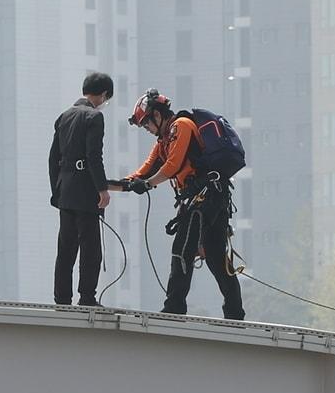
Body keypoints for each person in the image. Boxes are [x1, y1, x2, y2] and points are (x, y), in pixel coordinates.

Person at [117, 89, 246, 320]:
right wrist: (120, 184)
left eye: (147, 123)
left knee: (182, 249)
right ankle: (235, 314)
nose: (146, 129)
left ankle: (175, 308)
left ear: (157, 115)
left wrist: (147, 185)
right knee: (216, 257)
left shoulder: (181, 126)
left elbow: (172, 166)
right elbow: (147, 168)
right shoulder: (164, 140)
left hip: (206, 197)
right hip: (207, 199)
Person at [48, 72, 114, 306]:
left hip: (65, 191)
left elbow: (53, 158)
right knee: (90, 248)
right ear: (104, 94)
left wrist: (56, 192)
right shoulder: (94, 117)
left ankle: (62, 299)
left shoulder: (64, 116)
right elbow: (94, 156)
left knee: (65, 249)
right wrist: (102, 189)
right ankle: (87, 297)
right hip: (85, 192)